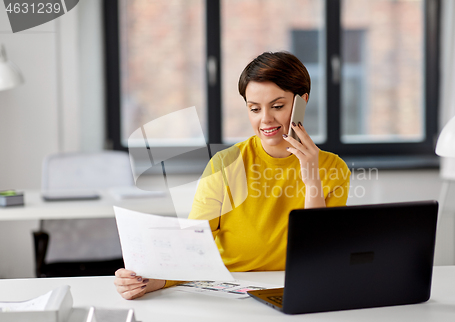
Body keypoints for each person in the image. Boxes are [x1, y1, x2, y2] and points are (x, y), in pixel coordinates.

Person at [114, 51, 351, 300]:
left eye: (278, 106)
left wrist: (312, 180)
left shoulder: (332, 168)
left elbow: (319, 255)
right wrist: (153, 280)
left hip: (296, 288)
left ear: (302, 102)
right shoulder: (226, 164)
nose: (265, 119)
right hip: (232, 290)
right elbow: (195, 245)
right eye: (254, 108)